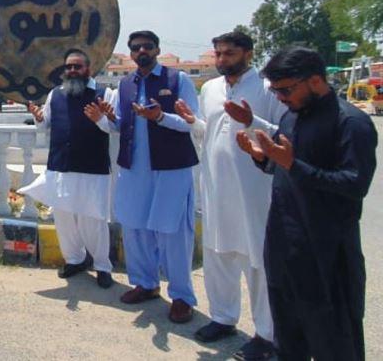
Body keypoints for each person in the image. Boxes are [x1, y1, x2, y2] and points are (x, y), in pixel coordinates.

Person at [237, 47, 377, 360]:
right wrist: (264, 159)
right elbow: (286, 167)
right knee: (289, 339)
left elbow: (354, 184)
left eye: (286, 90)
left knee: (334, 341)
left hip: (328, 255)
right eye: (275, 91)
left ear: (315, 81)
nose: (280, 98)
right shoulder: (292, 116)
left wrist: (291, 165)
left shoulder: (351, 123)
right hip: (285, 248)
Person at [175, 32, 285, 360]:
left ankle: (267, 335)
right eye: (218, 54)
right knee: (217, 255)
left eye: (229, 53)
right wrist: (192, 120)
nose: (222, 60)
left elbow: (283, 134)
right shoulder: (209, 89)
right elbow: (209, 131)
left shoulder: (267, 90)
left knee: (259, 264)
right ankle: (223, 317)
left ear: (248, 54)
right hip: (216, 188)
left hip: (256, 192)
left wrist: (252, 121)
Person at [100, 30, 199, 323]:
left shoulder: (177, 80)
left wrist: (160, 117)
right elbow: (119, 125)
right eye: (135, 47)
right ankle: (146, 284)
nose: (141, 50)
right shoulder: (125, 84)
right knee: (135, 228)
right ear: (130, 54)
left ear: (157, 49)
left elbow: (192, 123)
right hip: (134, 168)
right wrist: (108, 117)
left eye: (147, 46)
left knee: (173, 233)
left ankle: (181, 297)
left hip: (170, 168)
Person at [20, 49, 114, 289]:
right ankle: (75, 260)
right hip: (61, 166)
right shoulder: (56, 94)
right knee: (63, 217)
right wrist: (39, 118)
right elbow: (46, 126)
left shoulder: (104, 94)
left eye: (77, 66)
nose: (72, 70)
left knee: (93, 219)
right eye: (69, 67)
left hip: (92, 168)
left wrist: (99, 120)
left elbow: (114, 128)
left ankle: (102, 266)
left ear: (88, 69)